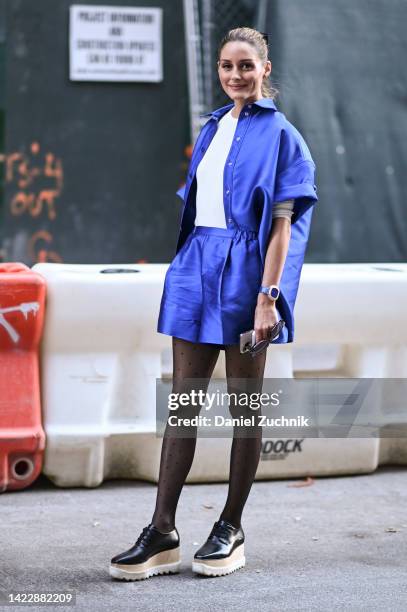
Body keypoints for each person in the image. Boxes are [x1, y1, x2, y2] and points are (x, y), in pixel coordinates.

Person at [110, 26, 318, 581]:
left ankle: (231, 526)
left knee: (245, 409)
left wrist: (268, 299)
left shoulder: (283, 137)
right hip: (196, 268)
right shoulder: (210, 129)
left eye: (246, 65)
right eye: (227, 66)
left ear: (265, 69)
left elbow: (281, 230)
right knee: (184, 404)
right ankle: (161, 530)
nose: (235, 75)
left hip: (249, 276)